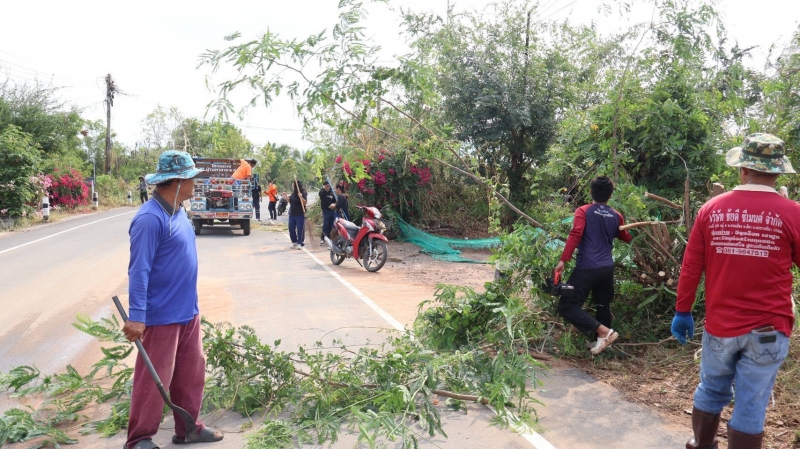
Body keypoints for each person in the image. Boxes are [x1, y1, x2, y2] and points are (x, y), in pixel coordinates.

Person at [672, 133, 799, 449]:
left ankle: (701, 444)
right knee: (752, 402)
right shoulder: (792, 213)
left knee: (711, 388)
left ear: (743, 169)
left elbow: (691, 267)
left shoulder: (711, 209)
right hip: (770, 328)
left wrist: (683, 311)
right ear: (778, 173)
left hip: (720, 327)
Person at [122, 150, 223, 449]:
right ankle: (139, 439)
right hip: (161, 315)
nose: (195, 183)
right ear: (177, 182)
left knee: (191, 374)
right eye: (191, 178)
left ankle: (188, 429)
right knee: (154, 379)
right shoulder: (149, 219)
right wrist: (136, 316)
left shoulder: (178, 211)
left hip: (187, 310)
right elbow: (138, 270)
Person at [554, 176, 633, 355]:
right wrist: (634, 233)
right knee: (602, 304)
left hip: (587, 266)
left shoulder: (583, 211)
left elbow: (576, 233)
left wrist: (563, 260)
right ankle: (604, 345)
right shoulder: (616, 215)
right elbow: (626, 237)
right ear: (610, 195)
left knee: (567, 305)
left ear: (591, 192)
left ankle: (604, 332)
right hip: (606, 268)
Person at [288, 180, 307, 249]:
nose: (292, 186)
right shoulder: (293, 194)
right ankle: (294, 242)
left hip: (299, 213)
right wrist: (286, 197)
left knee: (300, 229)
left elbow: (304, 203)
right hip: (292, 214)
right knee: (291, 227)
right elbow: (290, 201)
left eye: (293, 185)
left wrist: (301, 197)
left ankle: (300, 242)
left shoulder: (302, 192)